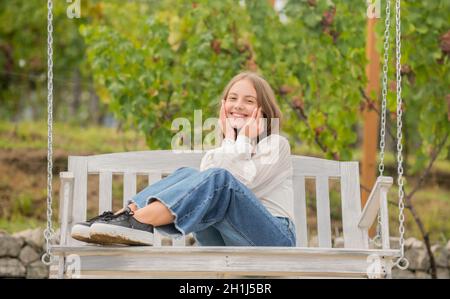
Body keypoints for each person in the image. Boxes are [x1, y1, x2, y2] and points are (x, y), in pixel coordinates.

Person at [71, 71, 296, 247]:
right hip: (224, 239)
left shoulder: (276, 145)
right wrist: (230, 141)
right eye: (232, 98)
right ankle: (123, 217)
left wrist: (241, 139)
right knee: (188, 174)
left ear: (263, 111)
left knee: (219, 179)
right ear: (223, 106)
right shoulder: (217, 153)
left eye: (248, 101)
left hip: (273, 238)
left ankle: (138, 221)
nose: (237, 105)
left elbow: (237, 185)